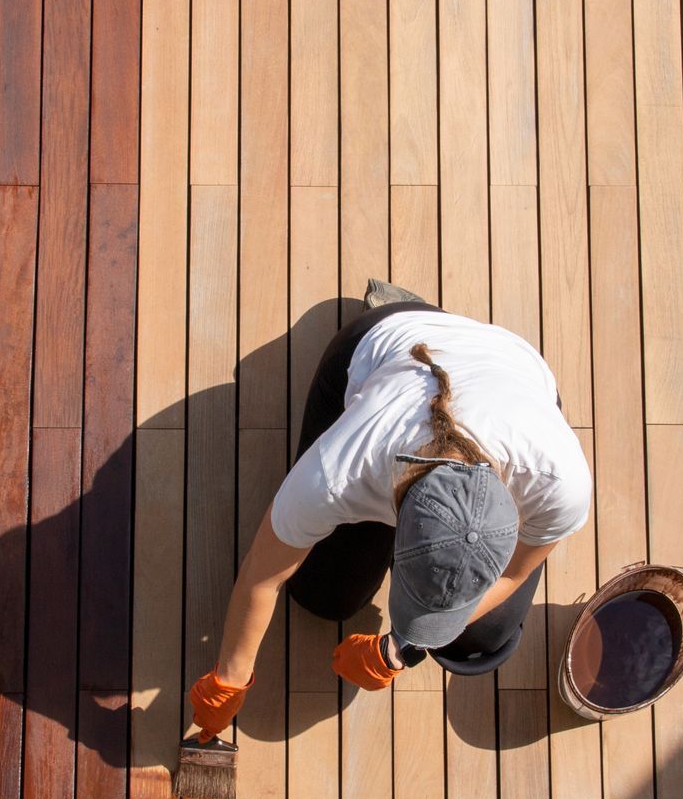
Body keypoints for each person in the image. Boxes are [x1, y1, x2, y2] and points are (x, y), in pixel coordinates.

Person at [188, 283, 593, 741]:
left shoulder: (560, 480)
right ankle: (411, 307)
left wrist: (405, 646)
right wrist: (228, 681)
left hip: (514, 375)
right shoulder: (342, 469)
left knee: (481, 641)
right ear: (399, 531)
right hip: (388, 345)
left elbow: (514, 574)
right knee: (324, 596)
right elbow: (263, 575)